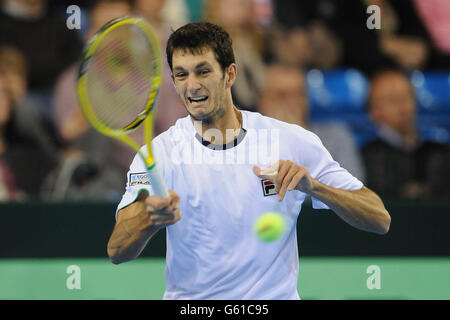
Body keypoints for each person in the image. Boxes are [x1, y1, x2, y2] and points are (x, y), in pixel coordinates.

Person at [107, 22, 390, 300]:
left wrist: (315, 187)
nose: (192, 86)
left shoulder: (291, 141)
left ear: (230, 75)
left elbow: (379, 219)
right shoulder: (157, 154)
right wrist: (149, 218)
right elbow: (117, 250)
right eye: (181, 75)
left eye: (203, 71)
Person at [258, 63, 366, 182]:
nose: (293, 103)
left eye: (299, 94)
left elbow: (352, 191)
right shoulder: (246, 143)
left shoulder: (336, 136)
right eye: (282, 96)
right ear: (262, 101)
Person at [362, 69, 450, 199]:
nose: (401, 105)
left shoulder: (438, 152)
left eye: (406, 96)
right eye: (391, 100)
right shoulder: (367, 156)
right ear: (374, 111)